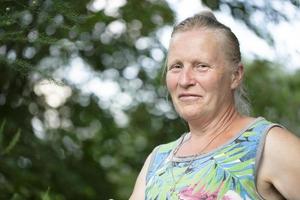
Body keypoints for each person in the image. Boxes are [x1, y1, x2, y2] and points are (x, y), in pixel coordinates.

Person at [130, 10, 300, 200]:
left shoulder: (270, 145)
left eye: (201, 66)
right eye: (176, 66)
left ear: (235, 76)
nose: (185, 80)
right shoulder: (157, 161)